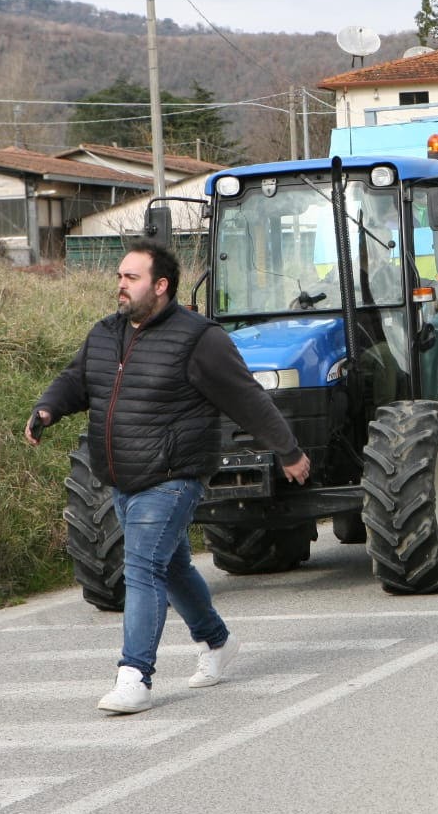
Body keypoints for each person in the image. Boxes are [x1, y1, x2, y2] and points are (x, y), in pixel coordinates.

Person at [27, 241, 312, 714]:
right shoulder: (105, 334)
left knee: (142, 568)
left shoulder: (200, 339)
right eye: (120, 276)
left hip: (173, 476)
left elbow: (247, 398)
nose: (120, 285)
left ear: (161, 286)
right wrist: (47, 408)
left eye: (131, 277)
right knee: (174, 566)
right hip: (121, 477)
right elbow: (77, 379)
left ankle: (134, 675)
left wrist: (287, 450)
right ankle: (218, 643)